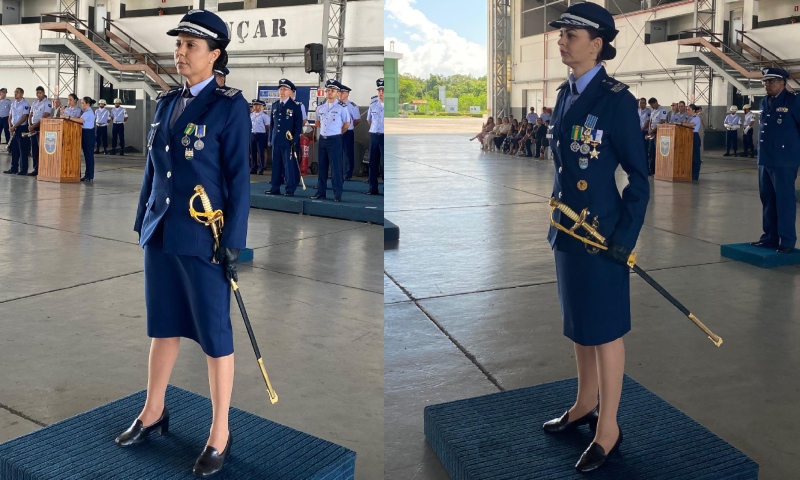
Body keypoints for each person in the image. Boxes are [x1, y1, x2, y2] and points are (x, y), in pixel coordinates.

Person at [120, 10, 250, 478]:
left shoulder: (228, 104)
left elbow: (238, 179)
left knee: (215, 336)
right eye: (178, 44)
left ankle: (220, 432)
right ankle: (153, 411)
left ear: (215, 55)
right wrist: (143, 222)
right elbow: (155, 172)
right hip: (161, 232)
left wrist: (232, 241)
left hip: (203, 237)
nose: (180, 52)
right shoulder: (166, 100)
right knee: (163, 327)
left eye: (191, 46)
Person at [543, 2, 649, 473]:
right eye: (561, 33)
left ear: (598, 44)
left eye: (571, 34)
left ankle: (609, 428)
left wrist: (623, 238)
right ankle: (585, 404)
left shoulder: (616, 100)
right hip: (568, 230)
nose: (562, 40)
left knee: (605, 330)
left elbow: (638, 179)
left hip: (602, 235)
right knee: (581, 324)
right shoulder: (566, 94)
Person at [749, 67, 800, 254]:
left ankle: (786, 241)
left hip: (785, 160)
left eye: (771, 82)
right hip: (766, 159)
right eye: (766, 82)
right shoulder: (764, 102)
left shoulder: (794, 101)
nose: (767, 85)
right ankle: (770, 238)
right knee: (768, 199)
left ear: (783, 83)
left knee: (784, 200)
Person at [310, 79, 351, 201]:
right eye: (328, 90)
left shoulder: (342, 107)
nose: (330, 92)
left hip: (335, 139)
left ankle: (337, 194)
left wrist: (337, 133)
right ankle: (320, 192)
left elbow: (347, 124)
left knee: (336, 168)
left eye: (332, 90)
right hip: (323, 139)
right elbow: (317, 122)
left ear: (338, 93)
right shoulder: (321, 108)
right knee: (322, 167)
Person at [265, 79, 303, 196]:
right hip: (277, 140)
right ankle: (275, 187)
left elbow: (298, 126)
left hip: (288, 141)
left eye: (285, 89)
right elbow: (272, 124)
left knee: (288, 166)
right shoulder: (275, 105)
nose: (282, 92)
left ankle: (290, 188)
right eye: (280, 89)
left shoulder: (295, 106)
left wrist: (295, 140)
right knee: (276, 165)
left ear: (291, 92)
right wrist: (271, 138)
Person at [67, 96, 97, 182]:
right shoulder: (86, 111)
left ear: (87, 104)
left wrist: (69, 118)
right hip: (85, 133)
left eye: (83, 103)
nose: (81, 104)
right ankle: (88, 174)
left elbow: (80, 120)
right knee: (87, 155)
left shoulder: (89, 112)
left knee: (89, 156)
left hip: (88, 134)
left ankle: (89, 175)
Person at [3, 87, 30, 175]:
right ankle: (13, 168)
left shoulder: (25, 104)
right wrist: (10, 126)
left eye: (17, 92)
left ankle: (23, 169)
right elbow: (10, 116)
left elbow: (24, 117)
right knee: (14, 149)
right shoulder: (13, 104)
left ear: (22, 94)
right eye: (15, 92)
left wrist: (14, 126)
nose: (15, 93)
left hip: (21, 128)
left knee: (22, 149)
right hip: (13, 128)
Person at [27, 86, 52, 177]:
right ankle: (35, 168)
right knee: (34, 149)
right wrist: (30, 125)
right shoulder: (34, 103)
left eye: (40, 93)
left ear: (44, 93)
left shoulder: (47, 103)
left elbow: (45, 116)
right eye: (37, 93)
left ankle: (42, 168)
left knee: (41, 148)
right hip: (32, 127)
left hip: (41, 127)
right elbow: (30, 115)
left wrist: (34, 126)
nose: (38, 95)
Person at [338, 83, 360, 180]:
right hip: (336, 132)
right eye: (340, 92)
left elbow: (357, 120)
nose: (341, 94)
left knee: (348, 153)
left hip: (348, 132)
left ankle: (348, 173)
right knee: (337, 153)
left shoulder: (352, 106)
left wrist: (348, 127)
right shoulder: (335, 104)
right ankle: (336, 172)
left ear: (347, 94)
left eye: (343, 92)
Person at [366, 78, 384, 195]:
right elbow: (369, 120)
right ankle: (373, 187)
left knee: (385, 163)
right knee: (372, 162)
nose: (380, 93)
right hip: (374, 135)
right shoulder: (373, 104)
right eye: (379, 90)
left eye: (383, 90)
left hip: (385, 136)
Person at [646, 97, 667, 175]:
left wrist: (653, 130)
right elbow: (651, 121)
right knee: (651, 151)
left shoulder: (662, 110)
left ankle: (657, 169)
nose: (651, 107)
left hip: (658, 134)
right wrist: (649, 130)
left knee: (657, 152)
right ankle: (651, 169)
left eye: (652, 105)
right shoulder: (653, 110)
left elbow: (662, 123)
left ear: (655, 103)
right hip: (652, 134)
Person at [682, 104, 702, 181]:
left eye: (689, 110)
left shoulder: (696, 118)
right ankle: (689, 173)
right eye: (687, 110)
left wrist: (681, 124)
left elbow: (691, 125)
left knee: (695, 157)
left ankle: (695, 175)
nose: (687, 111)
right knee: (689, 156)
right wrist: (684, 121)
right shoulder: (688, 118)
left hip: (694, 136)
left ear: (693, 111)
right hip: (688, 137)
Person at [249, 99, 269, 175]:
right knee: (253, 152)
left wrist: (263, 132)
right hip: (252, 134)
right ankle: (253, 168)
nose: (256, 107)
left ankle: (261, 168)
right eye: (255, 105)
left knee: (261, 152)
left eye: (258, 105)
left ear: (261, 107)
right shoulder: (251, 115)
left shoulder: (264, 116)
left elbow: (267, 127)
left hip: (261, 134)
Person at [637, 98, 650, 164]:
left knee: (645, 149)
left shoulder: (648, 111)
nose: (641, 104)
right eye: (640, 103)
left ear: (645, 104)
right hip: (638, 132)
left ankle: (646, 166)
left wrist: (641, 130)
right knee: (638, 149)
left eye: (643, 103)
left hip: (645, 132)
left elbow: (647, 123)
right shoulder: (637, 111)